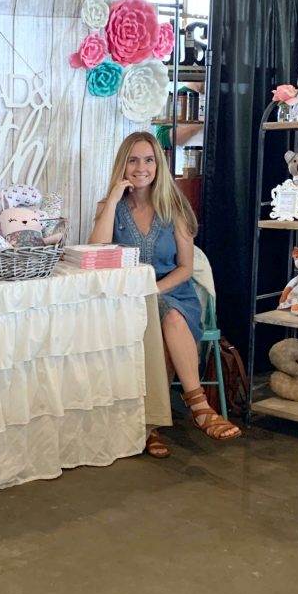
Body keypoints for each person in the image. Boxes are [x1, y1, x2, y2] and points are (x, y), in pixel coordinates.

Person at [89, 131, 240, 458]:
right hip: (125, 298)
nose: (141, 167)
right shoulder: (110, 207)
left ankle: (158, 423)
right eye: (133, 160)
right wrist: (113, 200)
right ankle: (186, 412)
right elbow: (97, 252)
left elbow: (186, 267)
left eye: (148, 160)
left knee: (167, 315)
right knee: (155, 318)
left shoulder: (175, 208)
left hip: (173, 291)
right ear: (122, 165)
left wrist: (153, 289)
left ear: (159, 164)